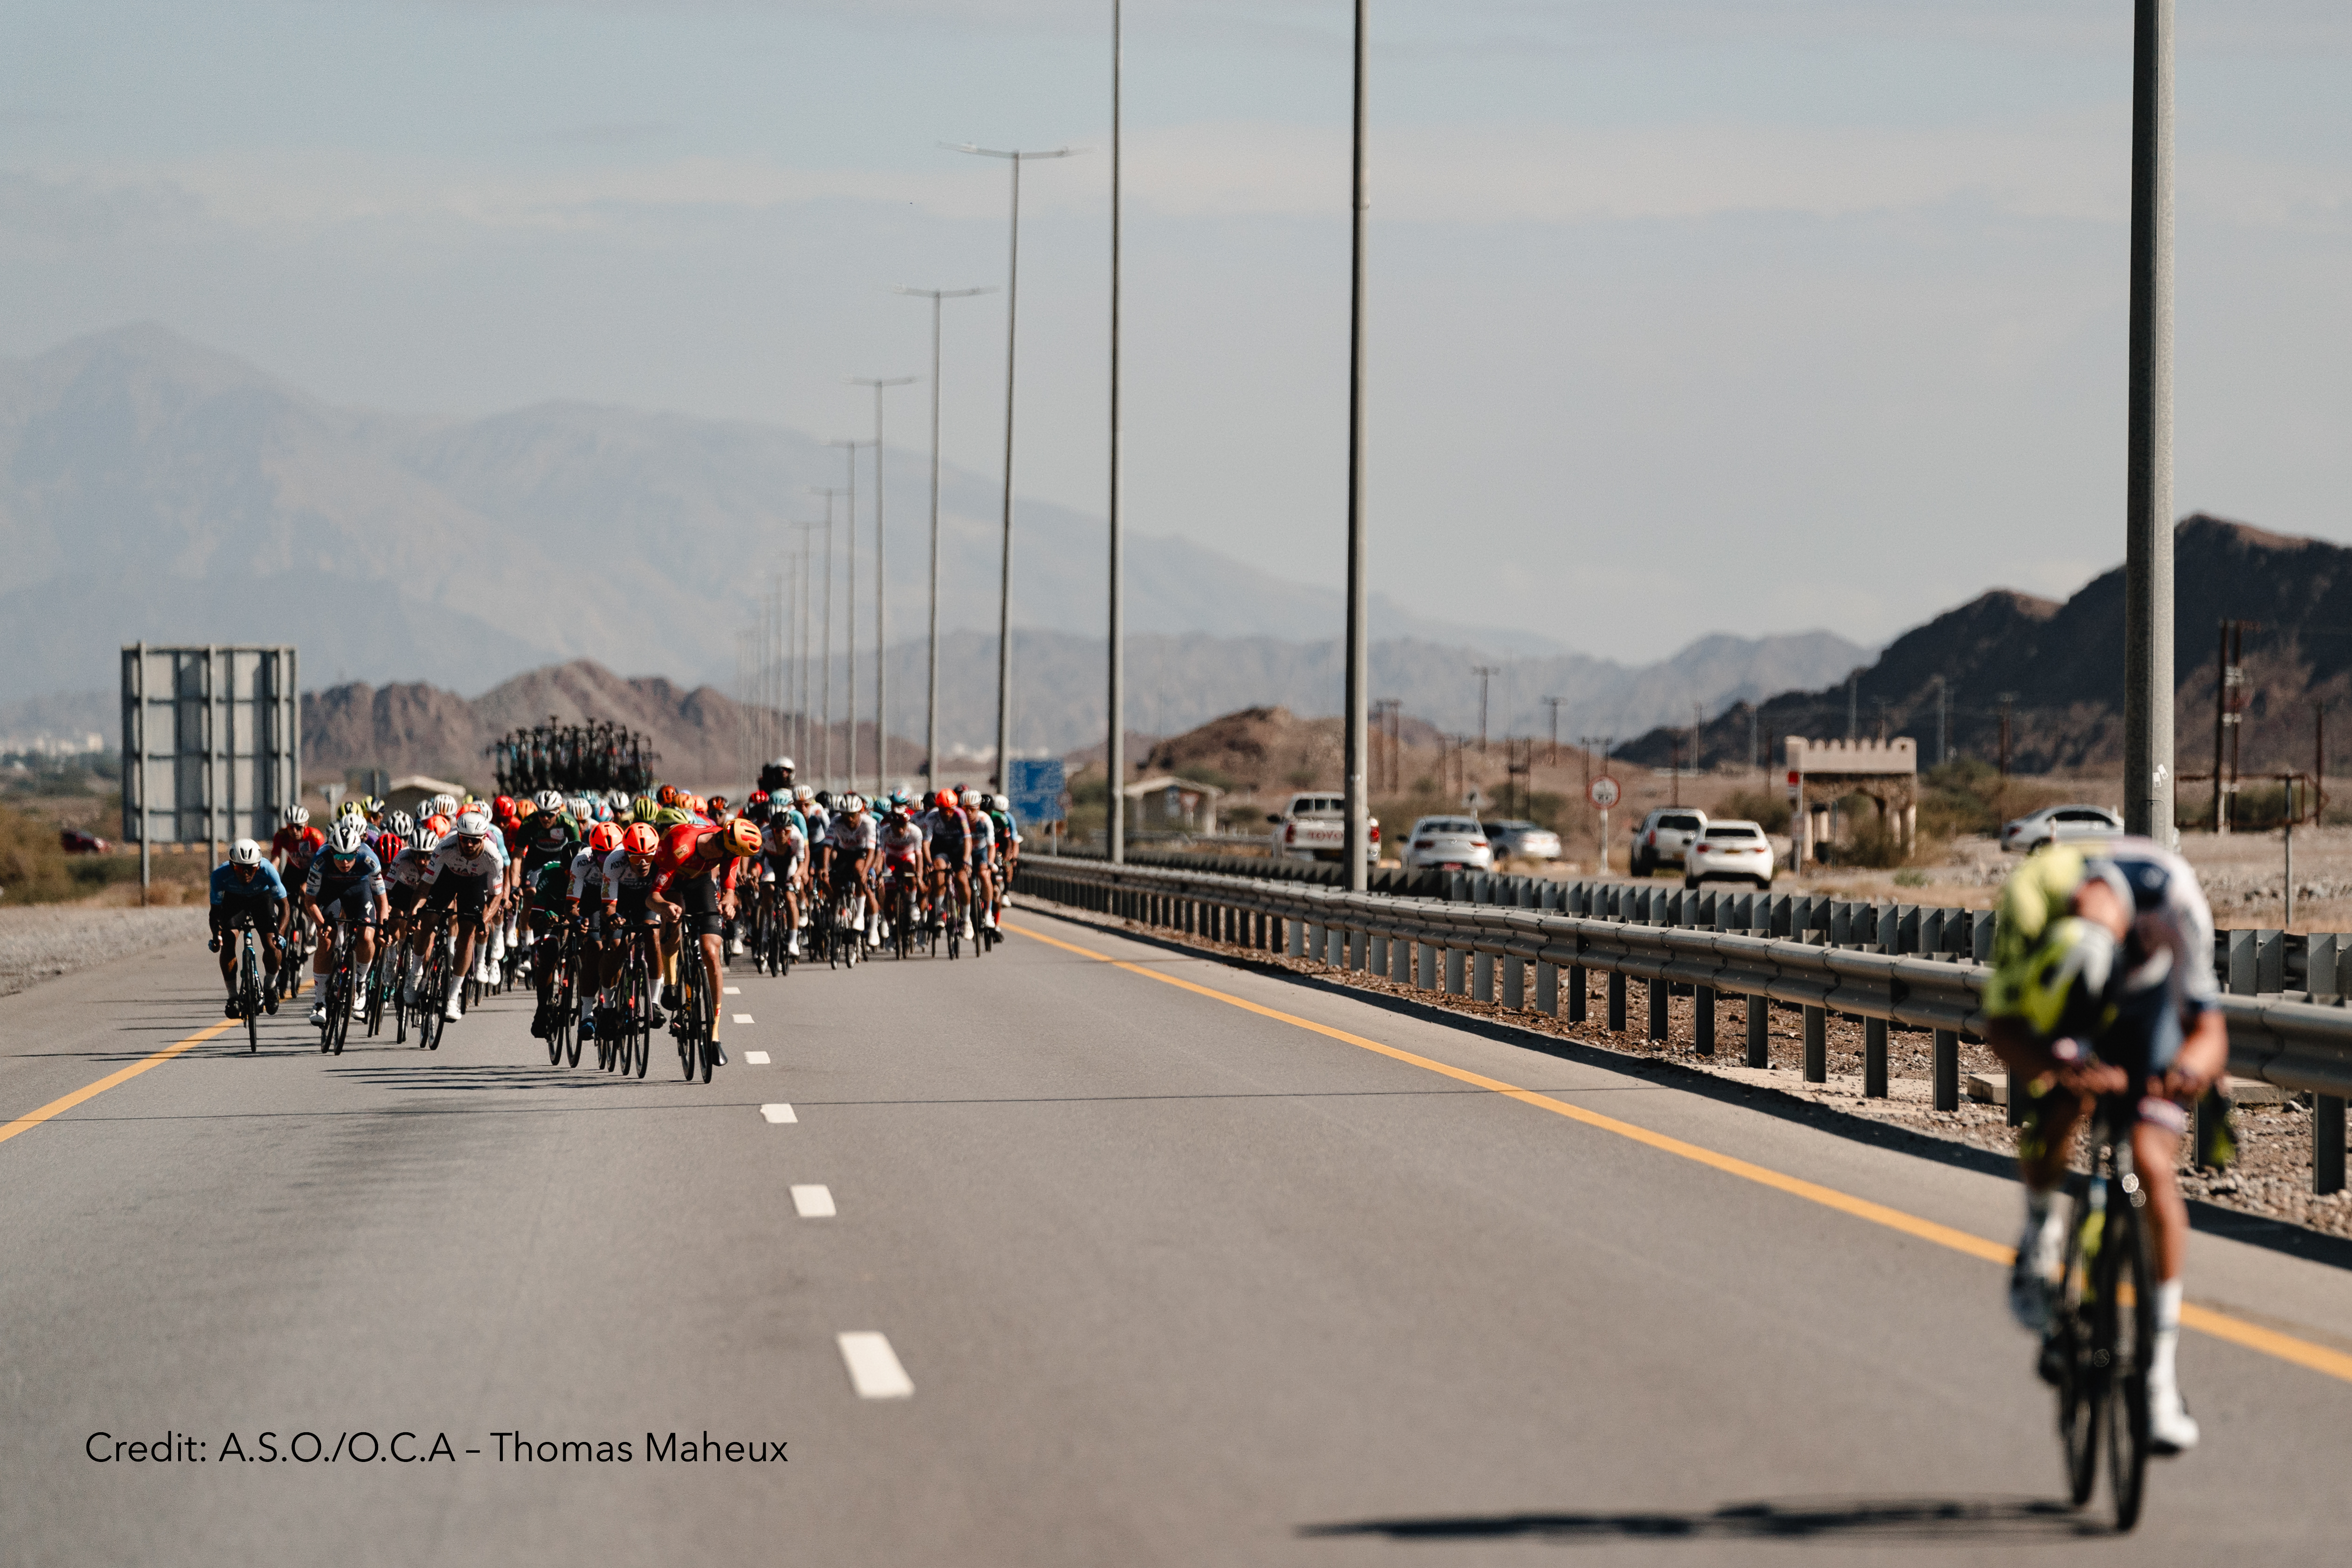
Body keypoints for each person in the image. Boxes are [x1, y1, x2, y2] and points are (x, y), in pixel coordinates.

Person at [1985, 838, 2226, 1457]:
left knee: (2151, 1161)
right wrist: (2057, 1067)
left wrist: (2186, 1075)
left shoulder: (2171, 898)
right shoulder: (2031, 904)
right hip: (2070, 1020)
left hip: (2152, 1013)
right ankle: (2040, 1234)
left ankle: (2159, 1383)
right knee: (2060, 1103)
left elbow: (2208, 1029)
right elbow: (2002, 1028)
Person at [644, 816, 761, 1065]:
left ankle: (715, 1036)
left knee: (710, 952)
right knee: (672, 918)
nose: (733, 858)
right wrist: (664, 906)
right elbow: (652, 897)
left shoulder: (732, 845)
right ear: (725, 842)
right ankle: (672, 983)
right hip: (671, 874)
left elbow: (729, 889)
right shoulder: (681, 847)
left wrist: (730, 901)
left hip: (700, 882)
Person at [418, 807, 509, 1022]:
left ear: (483, 839)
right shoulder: (445, 846)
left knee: (468, 935)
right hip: (446, 880)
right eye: (464, 839)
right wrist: (417, 911)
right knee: (429, 918)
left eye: (474, 841)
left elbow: (496, 898)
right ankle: (416, 973)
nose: (468, 844)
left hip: (474, 885)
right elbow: (425, 886)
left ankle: (452, 998)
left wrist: (484, 921)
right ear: (458, 836)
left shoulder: (493, 856)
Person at [301, 815, 388, 1027]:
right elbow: (310, 901)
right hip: (331, 893)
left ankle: (360, 985)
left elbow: (382, 901)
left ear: (357, 852)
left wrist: (384, 927)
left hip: (360, 892)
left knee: (367, 937)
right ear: (332, 852)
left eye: (350, 856)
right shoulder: (320, 860)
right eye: (339, 856)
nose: (345, 861)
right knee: (328, 940)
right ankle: (320, 1001)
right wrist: (321, 925)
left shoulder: (369, 859)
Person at [208, 839, 287, 1017]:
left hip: (262, 899)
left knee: (273, 947)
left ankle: (270, 986)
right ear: (231, 865)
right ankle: (233, 997)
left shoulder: (268, 870)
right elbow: (216, 912)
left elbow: (284, 906)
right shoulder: (220, 875)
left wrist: (280, 934)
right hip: (234, 902)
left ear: (258, 866)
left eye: (251, 868)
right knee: (227, 942)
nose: (245, 873)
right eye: (239, 868)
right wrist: (216, 935)